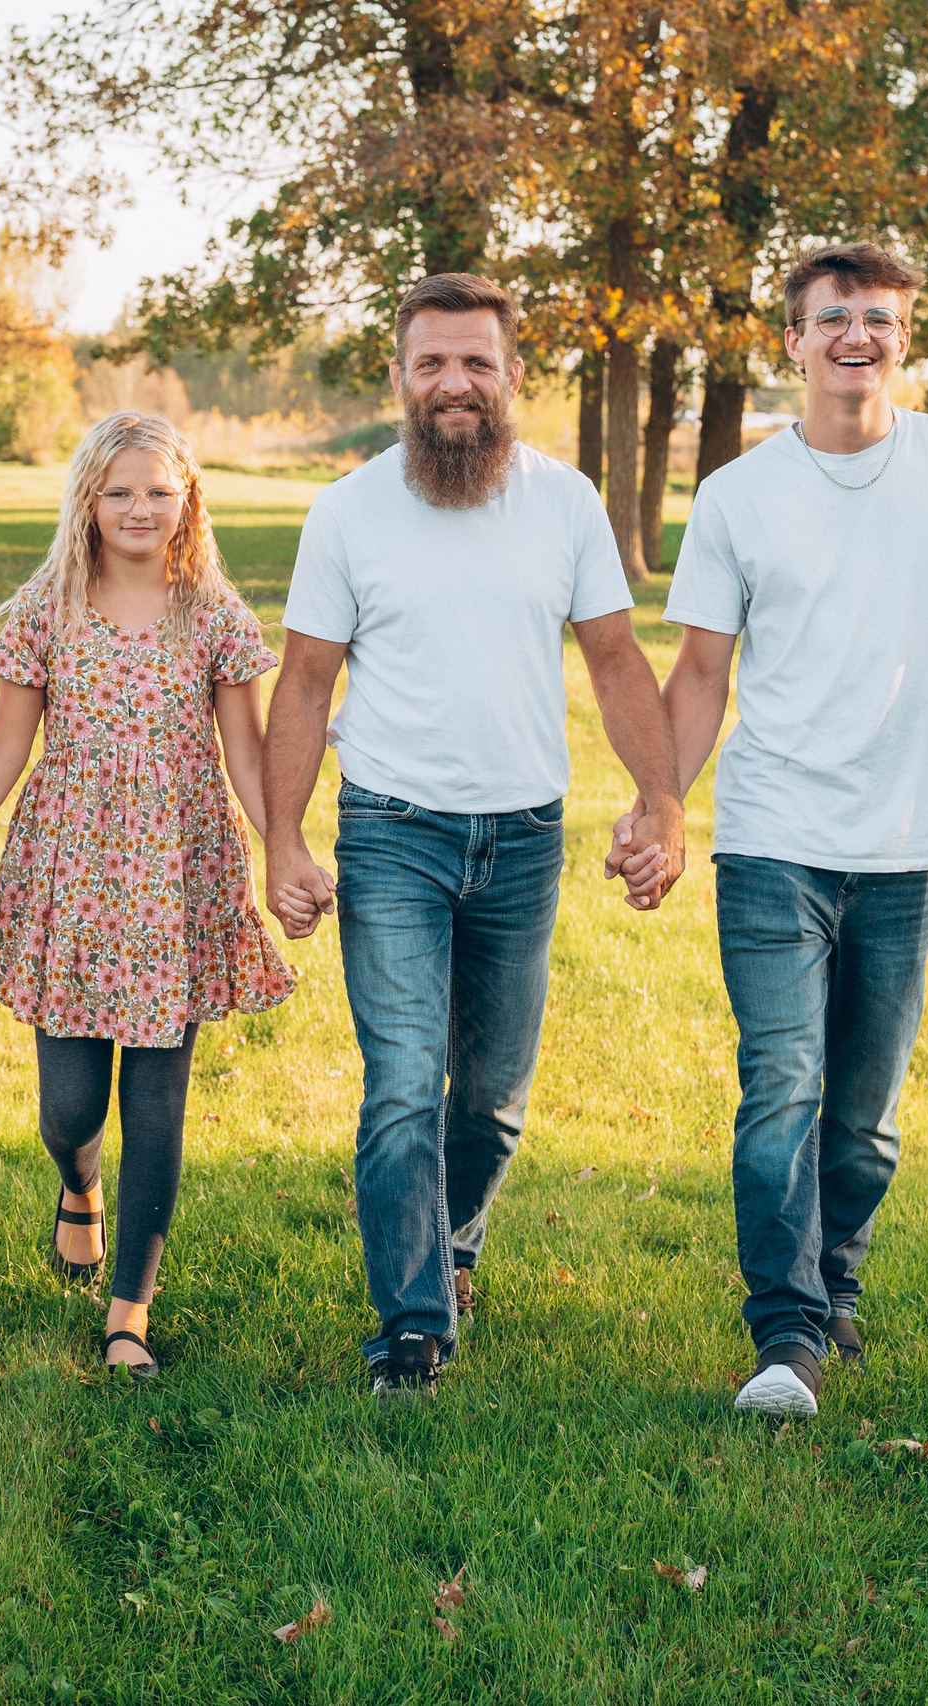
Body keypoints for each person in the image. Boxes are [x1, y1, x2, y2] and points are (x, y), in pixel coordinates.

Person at [607, 241, 928, 1419]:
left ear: (902, 338)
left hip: (909, 836)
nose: (856, 336)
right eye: (833, 317)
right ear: (793, 339)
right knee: (782, 1079)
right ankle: (785, 1333)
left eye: (877, 317)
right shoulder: (736, 494)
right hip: (772, 832)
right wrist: (662, 800)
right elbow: (702, 672)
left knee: (864, 1111)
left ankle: (834, 1287)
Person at [263, 273, 687, 1403]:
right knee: (403, 1076)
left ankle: (451, 1245)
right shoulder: (346, 510)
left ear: (512, 377)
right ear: (398, 377)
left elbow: (613, 661)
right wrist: (284, 841)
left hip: (522, 837)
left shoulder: (565, 503)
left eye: (477, 362)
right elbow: (303, 686)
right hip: (391, 828)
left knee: (491, 1093)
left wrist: (662, 801)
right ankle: (412, 1324)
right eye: (432, 363)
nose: (455, 382)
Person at [0, 412, 294, 1376]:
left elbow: (247, 758)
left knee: (159, 1103)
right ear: (88, 502)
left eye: (159, 492)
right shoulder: (47, 609)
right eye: (120, 491)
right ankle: (77, 1181)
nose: (140, 508)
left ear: (189, 503)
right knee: (70, 1102)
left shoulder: (217, 614)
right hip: (71, 872)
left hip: (177, 876)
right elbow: (6, 745)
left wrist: (286, 852)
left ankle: (128, 1310)